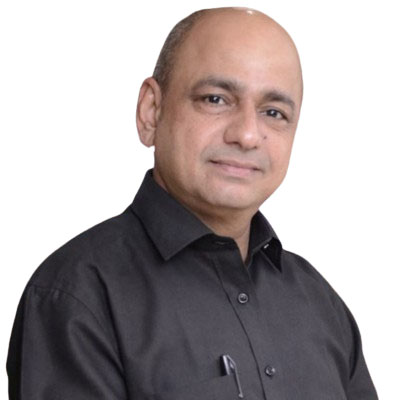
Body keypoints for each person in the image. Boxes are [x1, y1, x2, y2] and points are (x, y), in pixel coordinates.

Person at [6, 7, 378, 400]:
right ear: (151, 111)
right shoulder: (79, 295)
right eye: (216, 99)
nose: (247, 135)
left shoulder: (321, 304)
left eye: (273, 112)